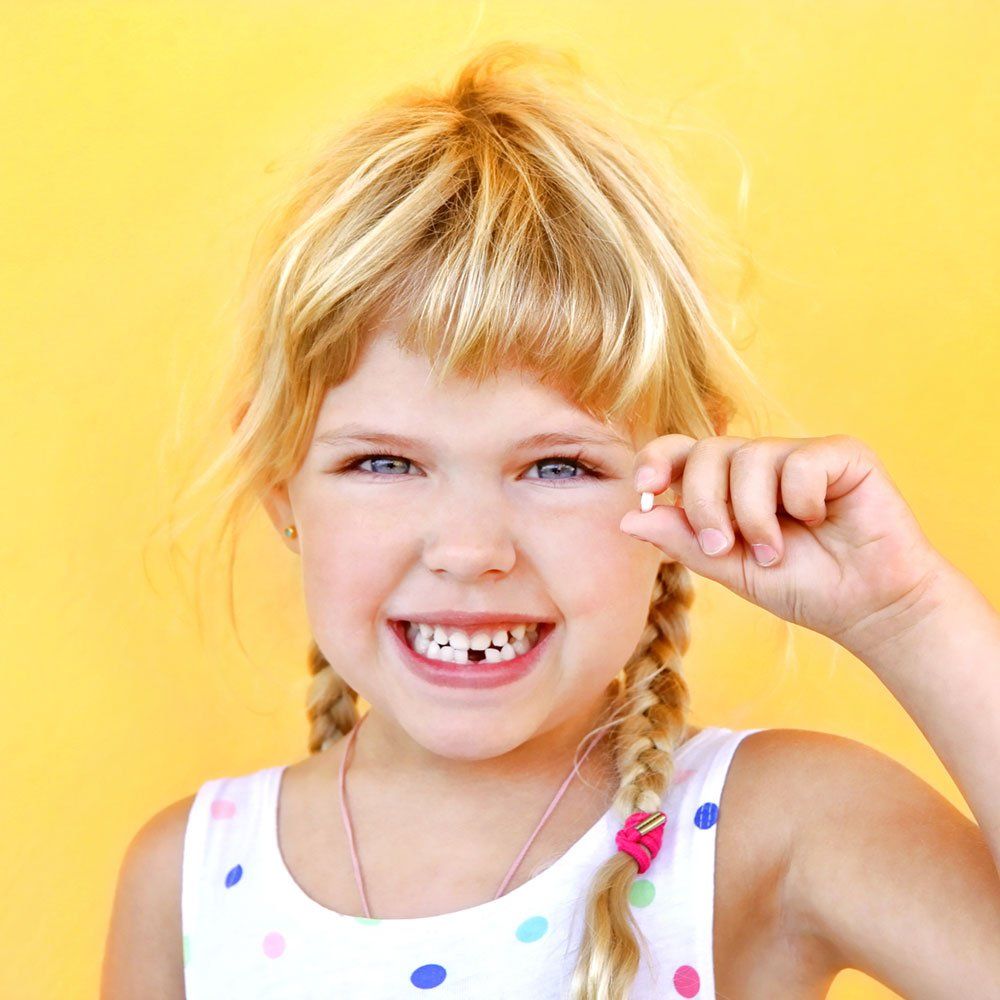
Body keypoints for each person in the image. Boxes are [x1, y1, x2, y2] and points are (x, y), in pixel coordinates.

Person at [101, 40, 1000, 1000]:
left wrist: (907, 617)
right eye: (384, 462)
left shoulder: (781, 828)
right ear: (283, 483)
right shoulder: (187, 883)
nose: (470, 551)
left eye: (559, 465)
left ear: (679, 478)